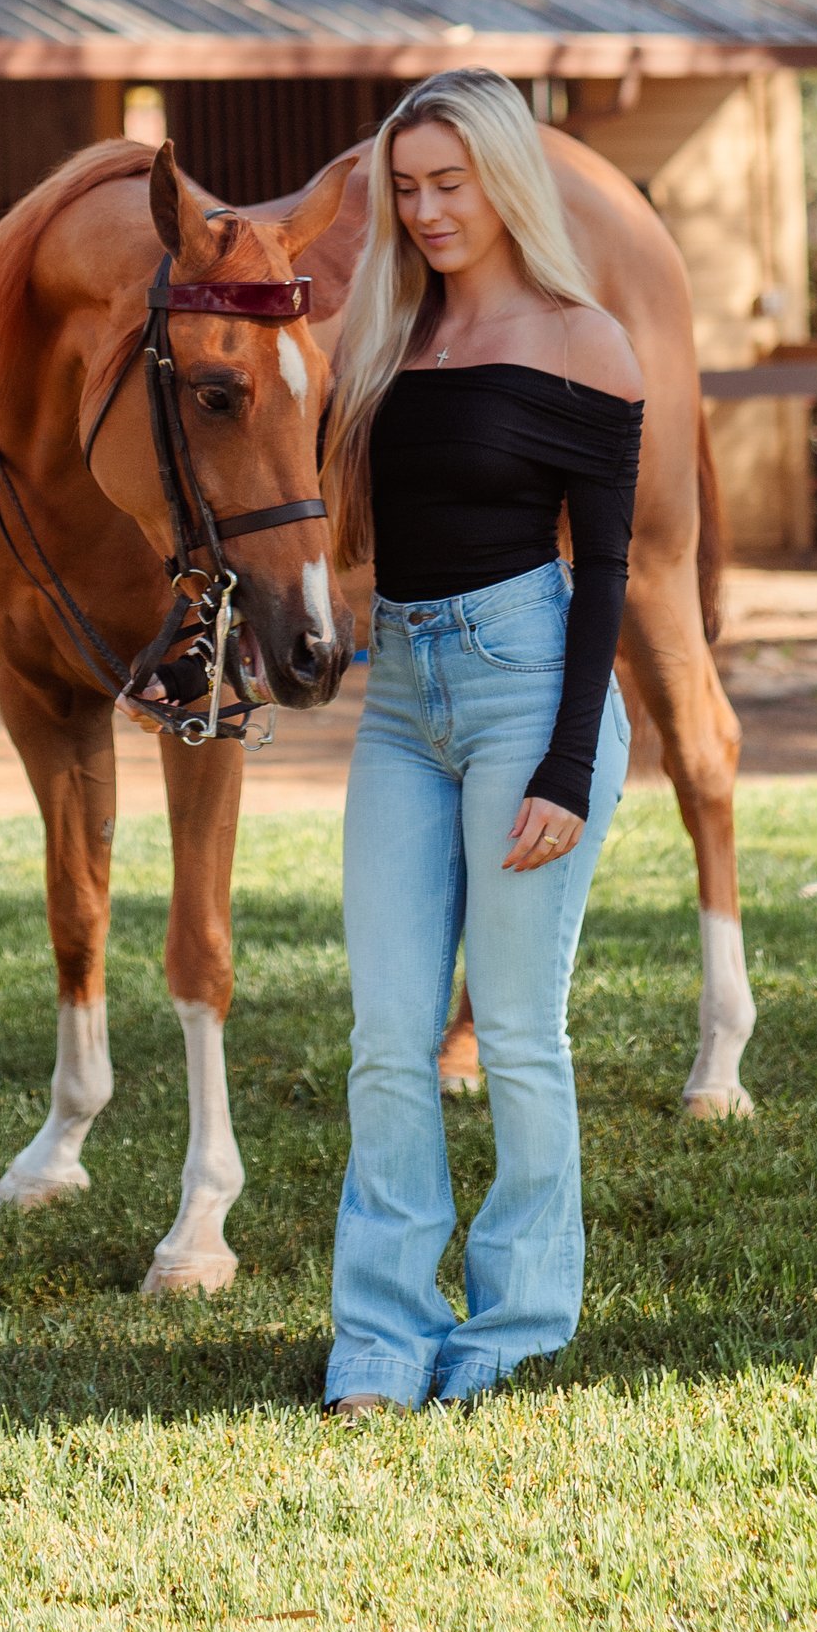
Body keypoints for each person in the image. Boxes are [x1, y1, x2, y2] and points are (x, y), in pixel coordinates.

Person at [319, 68, 641, 1414]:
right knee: (390, 1032)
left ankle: (512, 1320)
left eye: (451, 181)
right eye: (408, 187)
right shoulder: (385, 328)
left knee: (513, 1029)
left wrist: (569, 766)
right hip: (401, 697)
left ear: (505, 179)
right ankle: (384, 1333)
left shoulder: (583, 341)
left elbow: (607, 574)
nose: (429, 208)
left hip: (530, 687)